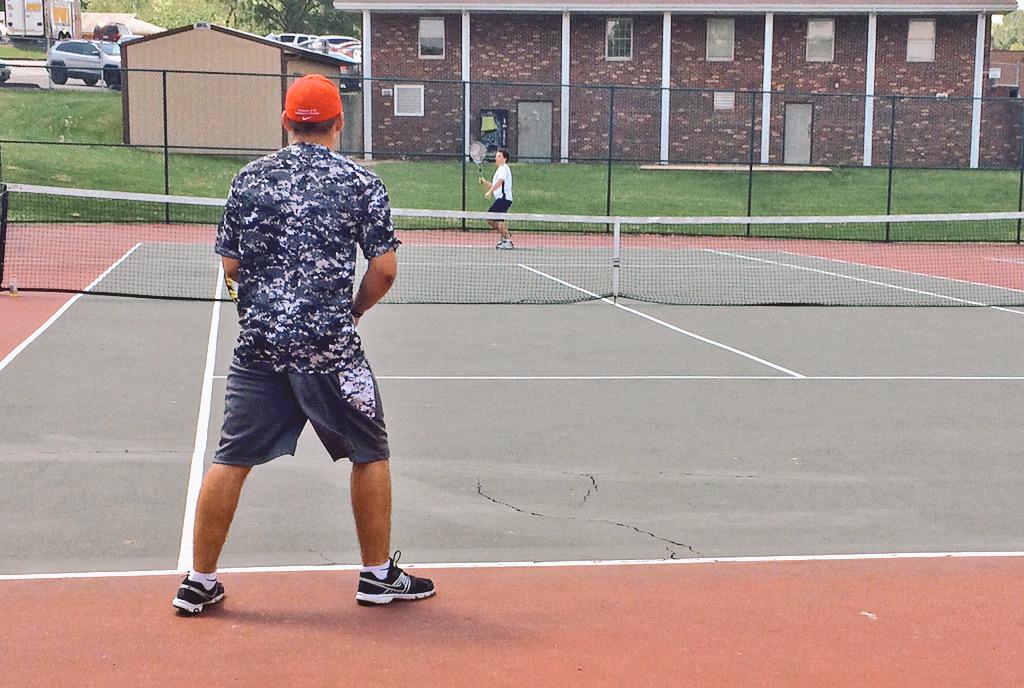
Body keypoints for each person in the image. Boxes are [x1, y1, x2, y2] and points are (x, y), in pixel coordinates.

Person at [172, 74, 434, 615]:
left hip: (259, 348)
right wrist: (354, 311)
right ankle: (376, 576)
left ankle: (198, 581)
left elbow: (231, 265)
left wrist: (261, 312)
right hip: (331, 350)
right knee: (371, 451)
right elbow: (384, 270)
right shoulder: (362, 184)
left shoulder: (249, 179)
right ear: (339, 122)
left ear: (286, 122)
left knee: (230, 458)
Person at [479, 148, 514, 249]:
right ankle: (505, 236)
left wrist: (489, 192)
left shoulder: (503, 168)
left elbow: (500, 182)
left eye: (499, 156)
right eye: (496, 156)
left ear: (505, 159)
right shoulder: (500, 169)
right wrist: (485, 182)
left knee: (491, 217)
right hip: (502, 199)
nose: (496, 158)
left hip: (504, 199)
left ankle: (506, 239)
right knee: (495, 220)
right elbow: (495, 185)